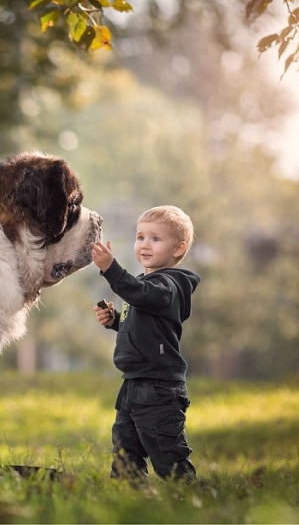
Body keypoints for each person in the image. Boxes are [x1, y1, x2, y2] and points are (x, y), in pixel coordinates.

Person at [91, 205, 200, 482]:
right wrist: (115, 320)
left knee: (168, 456)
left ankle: (192, 501)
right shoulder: (147, 285)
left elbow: (142, 294)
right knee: (125, 454)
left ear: (178, 248)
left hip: (158, 388)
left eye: (155, 238)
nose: (145, 245)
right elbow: (144, 324)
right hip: (133, 384)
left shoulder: (170, 285)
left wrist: (111, 269)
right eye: (140, 237)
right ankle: (130, 501)